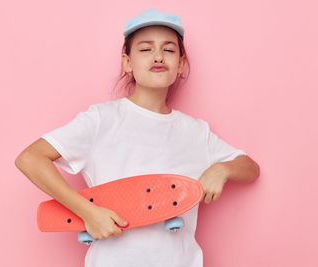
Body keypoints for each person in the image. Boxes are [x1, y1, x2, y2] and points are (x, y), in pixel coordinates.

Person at [15, 7, 260, 267]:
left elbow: (250, 168)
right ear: (127, 62)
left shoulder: (196, 132)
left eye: (168, 49)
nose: (157, 56)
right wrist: (87, 213)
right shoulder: (101, 120)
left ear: (181, 65)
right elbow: (30, 158)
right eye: (145, 49)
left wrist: (223, 169)